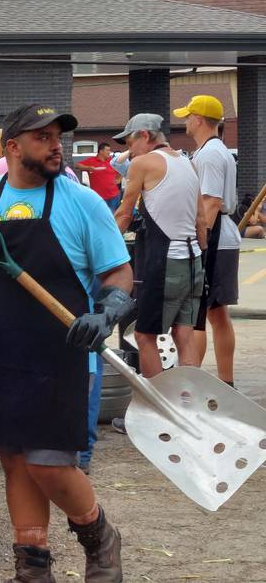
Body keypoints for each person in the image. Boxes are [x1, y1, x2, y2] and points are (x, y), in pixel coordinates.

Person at [0, 104, 132, 582]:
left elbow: (119, 272)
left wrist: (109, 313)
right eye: (42, 137)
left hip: (58, 350)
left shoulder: (81, 202)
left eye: (57, 136)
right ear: (13, 148)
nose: (56, 145)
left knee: (49, 464)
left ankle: (99, 536)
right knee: (15, 461)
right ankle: (32, 564)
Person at [112, 114, 206, 433]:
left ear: (144, 135)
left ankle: (158, 413)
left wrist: (101, 247)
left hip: (166, 262)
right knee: (183, 332)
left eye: (129, 142)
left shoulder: (144, 164)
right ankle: (189, 408)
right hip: (193, 258)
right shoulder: (187, 163)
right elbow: (200, 219)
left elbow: (125, 213)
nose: (129, 150)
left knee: (144, 335)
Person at [174, 95, 240, 388]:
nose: (184, 121)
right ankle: (225, 383)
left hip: (213, 238)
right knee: (216, 312)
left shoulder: (211, 154)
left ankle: (191, 386)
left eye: (187, 116)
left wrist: (200, 243)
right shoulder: (211, 150)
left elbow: (210, 202)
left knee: (198, 312)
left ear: (198, 120)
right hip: (221, 237)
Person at [75, 143, 122, 211]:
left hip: (114, 196)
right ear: (101, 151)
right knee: (100, 217)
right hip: (98, 197)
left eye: (109, 150)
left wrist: (119, 178)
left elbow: (121, 169)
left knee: (113, 217)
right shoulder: (91, 161)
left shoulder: (112, 161)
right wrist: (88, 168)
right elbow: (77, 165)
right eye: (107, 150)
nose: (109, 152)